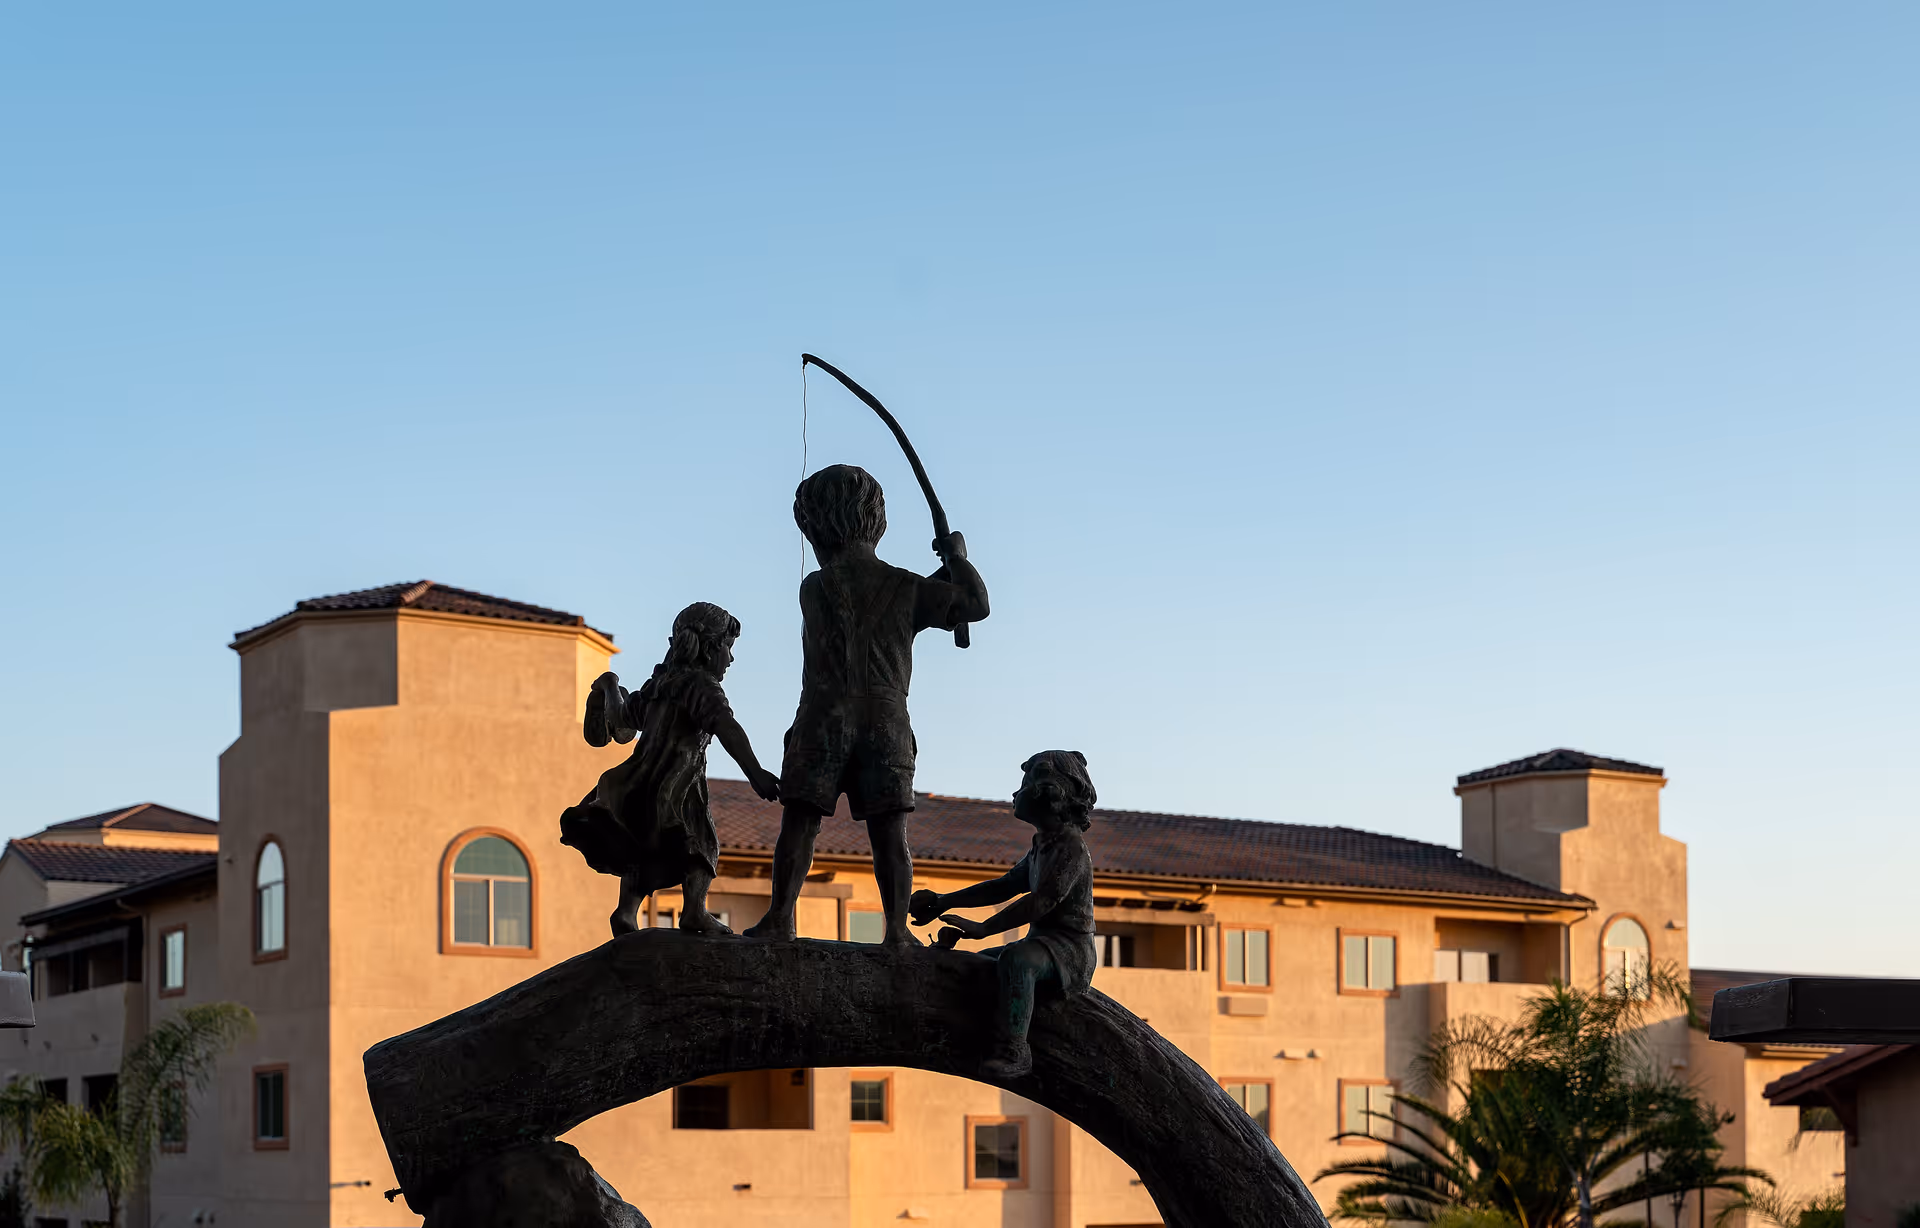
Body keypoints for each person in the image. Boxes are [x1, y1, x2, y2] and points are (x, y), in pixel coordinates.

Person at [743, 464, 989, 945]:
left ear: (818, 527)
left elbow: (879, 597)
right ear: (875, 521)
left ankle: (780, 917)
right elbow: (974, 603)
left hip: (822, 718)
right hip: (885, 720)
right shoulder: (908, 587)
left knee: (800, 823)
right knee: (888, 832)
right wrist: (957, 559)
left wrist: (939, 576)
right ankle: (897, 930)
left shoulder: (813, 587)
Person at [559, 601, 781, 938]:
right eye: (728, 648)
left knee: (641, 848)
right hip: (678, 782)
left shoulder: (659, 686)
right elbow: (727, 727)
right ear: (709, 649)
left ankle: (626, 912)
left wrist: (609, 688)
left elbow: (621, 722)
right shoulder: (701, 687)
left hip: (636, 781)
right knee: (701, 842)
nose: (731, 659)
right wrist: (755, 772)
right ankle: (694, 911)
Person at [908, 751, 1098, 1078]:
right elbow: (1003, 887)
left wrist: (983, 928)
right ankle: (984, 1032)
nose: (1014, 794)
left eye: (1023, 785)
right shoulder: (1042, 844)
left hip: (1070, 952)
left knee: (1017, 962)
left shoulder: (1071, 847)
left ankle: (1015, 1050)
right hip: (1043, 944)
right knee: (982, 963)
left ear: (1050, 792)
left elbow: (1043, 901)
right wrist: (943, 902)